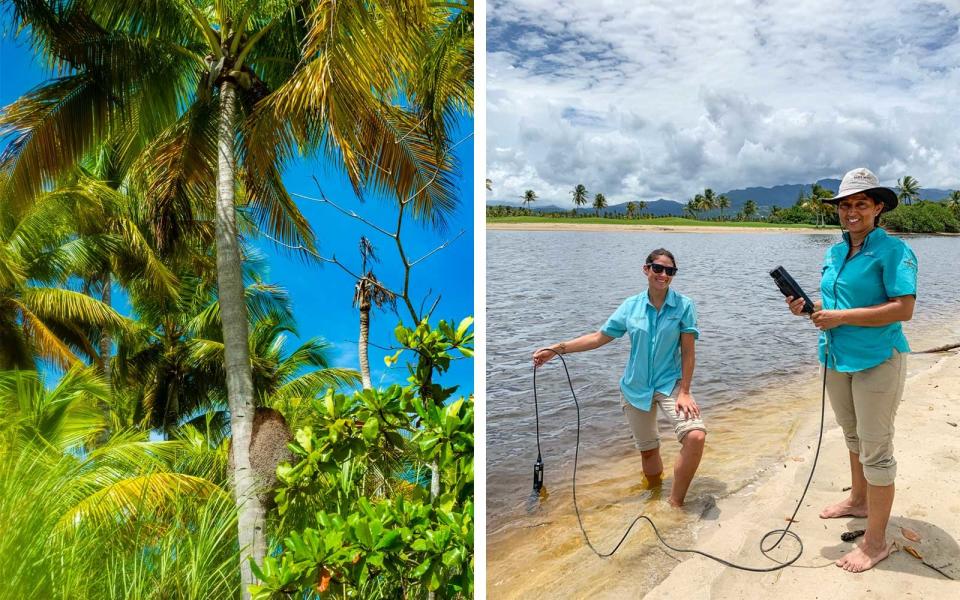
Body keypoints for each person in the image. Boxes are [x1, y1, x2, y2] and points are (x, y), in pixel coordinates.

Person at [786, 167, 917, 573]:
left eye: (861, 204)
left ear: (878, 207)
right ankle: (858, 501)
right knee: (853, 435)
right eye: (845, 205)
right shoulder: (834, 252)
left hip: (878, 358)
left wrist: (841, 317)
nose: (852, 212)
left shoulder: (895, 252)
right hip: (835, 358)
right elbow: (830, 308)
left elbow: (904, 309)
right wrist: (807, 310)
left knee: (877, 449)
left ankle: (875, 542)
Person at [533, 248, 706, 508]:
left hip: (670, 384)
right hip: (635, 387)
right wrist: (555, 350)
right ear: (646, 269)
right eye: (657, 268)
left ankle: (675, 504)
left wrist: (685, 390)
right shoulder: (631, 306)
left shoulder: (684, 305)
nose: (663, 275)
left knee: (695, 436)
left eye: (669, 271)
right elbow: (598, 337)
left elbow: (689, 352)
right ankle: (653, 496)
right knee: (648, 451)